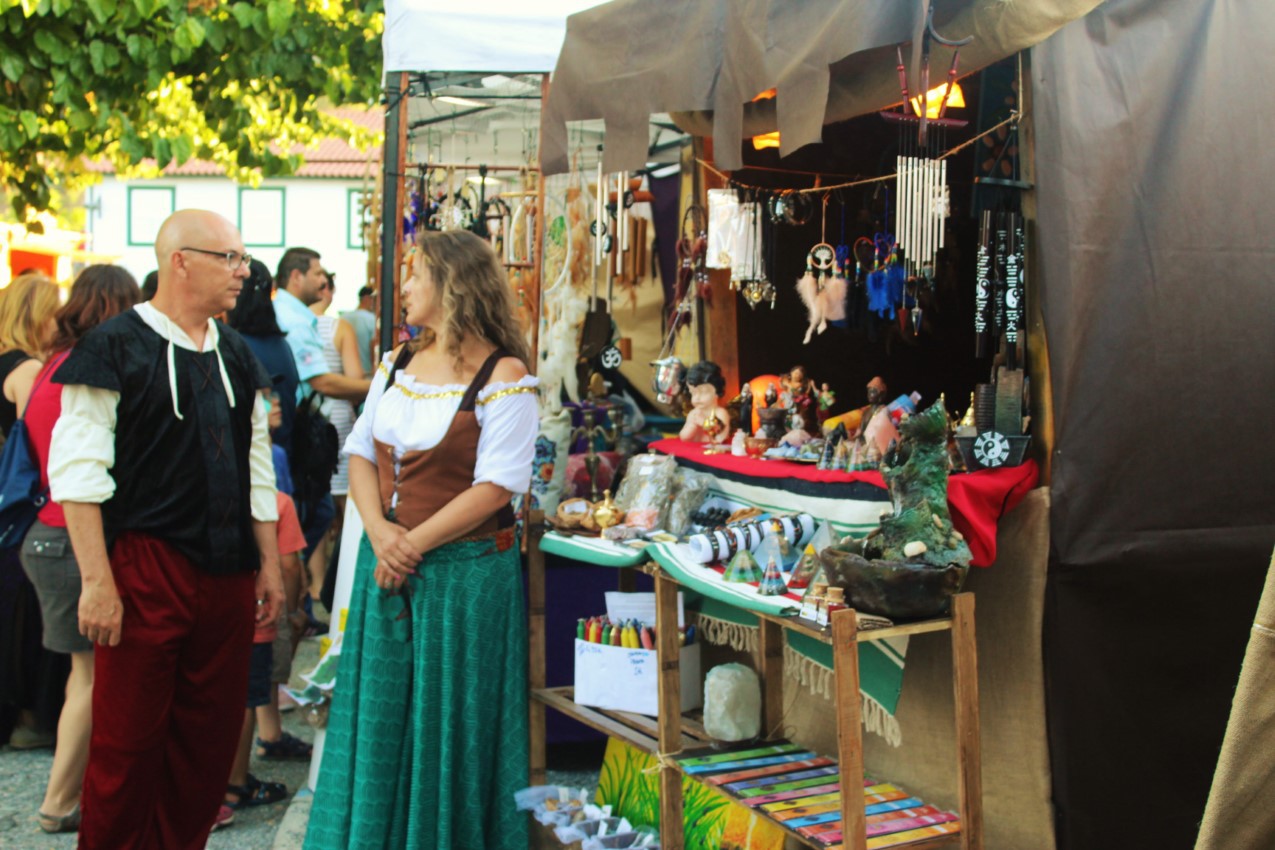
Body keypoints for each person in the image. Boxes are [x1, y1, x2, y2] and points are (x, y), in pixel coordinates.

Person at [49, 209, 285, 849]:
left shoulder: (235, 350)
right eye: (230, 258)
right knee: (127, 745)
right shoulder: (114, 346)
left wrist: (267, 563)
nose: (244, 272)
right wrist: (97, 582)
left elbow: (255, 468)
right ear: (180, 260)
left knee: (205, 747)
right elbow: (77, 474)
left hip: (228, 571)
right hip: (146, 567)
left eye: (243, 258)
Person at [304, 229, 538, 850]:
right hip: (385, 564)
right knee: (379, 717)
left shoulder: (505, 375)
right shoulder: (397, 361)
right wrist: (381, 533)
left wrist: (409, 545)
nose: (403, 287)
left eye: (415, 275)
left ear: (452, 284)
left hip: (463, 579)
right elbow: (358, 453)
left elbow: (497, 487)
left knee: (445, 725)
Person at [20, 265, 141, 835]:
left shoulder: (47, 366)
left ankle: (67, 794)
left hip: (44, 531)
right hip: (73, 534)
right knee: (90, 679)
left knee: (81, 675)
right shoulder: (91, 368)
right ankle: (58, 801)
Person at [273, 248, 370, 600]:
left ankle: (300, 591)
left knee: (317, 510)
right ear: (296, 277)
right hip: (297, 435)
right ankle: (297, 591)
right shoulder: (295, 320)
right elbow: (323, 381)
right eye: (317, 272)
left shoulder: (294, 316)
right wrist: (378, 386)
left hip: (299, 433)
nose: (323, 279)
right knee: (315, 511)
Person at [0, 272, 64, 754]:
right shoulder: (25, 371)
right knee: (25, 614)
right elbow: (37, 442)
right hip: (21, 505)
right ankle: (29, 715)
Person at [307, 277, 363, 603]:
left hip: (308, 421)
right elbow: (354, 379)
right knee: (344, 506)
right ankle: (340, 581)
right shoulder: (339, 328)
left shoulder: (294, 325)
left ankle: (315, 583)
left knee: (316, 503)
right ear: (327, 291)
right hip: (338, 421)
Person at [340, 285, 378, 378]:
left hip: (345, 376)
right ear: (367, 298)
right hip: (366, 375)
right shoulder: (371, 319)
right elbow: (373, 346)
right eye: (374, 299)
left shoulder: (343, 318)